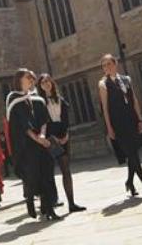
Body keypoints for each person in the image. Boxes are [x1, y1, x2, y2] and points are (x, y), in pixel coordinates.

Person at [6, 68, 61, 221]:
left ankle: (49, 208)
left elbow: (44, 119)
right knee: (32, 176)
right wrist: (38, 139)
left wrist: (43, 136)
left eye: (32, 77)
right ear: (19, 80)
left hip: (41, 143)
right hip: (26, 146)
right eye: (27, 77)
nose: (31, 79)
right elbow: (23, 126)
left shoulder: (36, 98)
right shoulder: (13, 99)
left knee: (47, 174)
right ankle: (30, 199)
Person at [99, 54, 142, 198]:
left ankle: (129, 181)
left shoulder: (126, 79)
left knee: (133, 153)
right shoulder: (103, 84)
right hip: (118, 123)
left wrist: (140, 119)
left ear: (115, 64)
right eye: (104, 65)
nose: (107, 67)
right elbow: (105, 108)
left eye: (109, 64)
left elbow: (133, 99)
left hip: (131, 120)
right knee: (131, 153)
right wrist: (109, 128)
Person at [38, 74, 86, 212]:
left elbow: (66, 120)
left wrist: (66, 135)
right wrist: (52, 138)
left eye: (48, 81)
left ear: (52, 83)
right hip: (49, 136)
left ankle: (71, 203)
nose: (46, 84)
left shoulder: (61, 99)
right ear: (40, 86)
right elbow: (43, 122)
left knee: (66, 170)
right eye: (43, 82)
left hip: (63, 134)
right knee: (48, 171)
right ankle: (48, 204)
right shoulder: (40, 102)